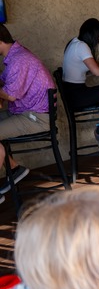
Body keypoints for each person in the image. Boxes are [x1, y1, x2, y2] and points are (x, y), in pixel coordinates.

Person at [0, 24, 52, 198]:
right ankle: (14, 168)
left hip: (35, 117)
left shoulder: (19, 59)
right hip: (24, 111)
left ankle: (14, 170)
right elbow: (4, 84)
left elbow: (10, 95)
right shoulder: (14, 56)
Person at [62, 18, 99, 110]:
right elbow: (96, 71)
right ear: (91, 34)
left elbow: (90, 65)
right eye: (98, 37)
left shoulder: (74, 42)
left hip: (72, 94)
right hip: (78, 96)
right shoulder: (82, 46)